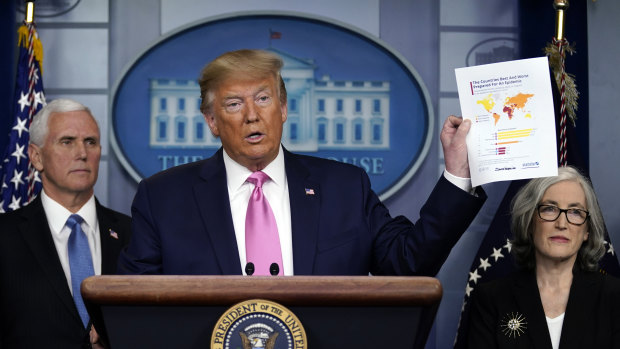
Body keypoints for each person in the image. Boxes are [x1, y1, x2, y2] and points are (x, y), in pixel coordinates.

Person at [118, 49, 486, 277]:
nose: (251, 116)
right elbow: (135, 302)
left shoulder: (345, 187)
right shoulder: (163, 198)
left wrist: (456, 173)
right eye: (233, 104)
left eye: (263, 99)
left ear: (283, 108)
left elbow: (409, 264)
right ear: (212, 121)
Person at [0, 99, 131, 348]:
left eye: (90, 142)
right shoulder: (5, 237)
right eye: (67, 141)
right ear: (36, 157)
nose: (82, 153)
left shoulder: (135, 235)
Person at [467, 166, 620, 348]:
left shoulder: (614, 297)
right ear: (530, 221)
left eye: (575, 212)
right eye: (549, 209)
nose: (561, 223)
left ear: (587, 230)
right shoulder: (491, 299)